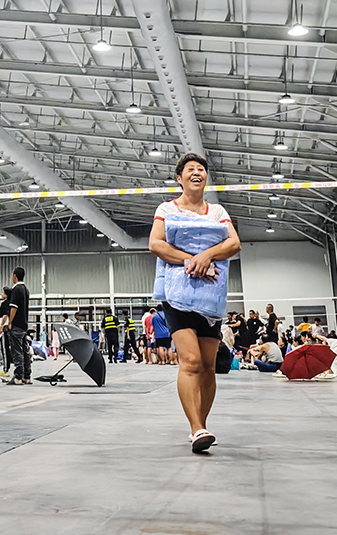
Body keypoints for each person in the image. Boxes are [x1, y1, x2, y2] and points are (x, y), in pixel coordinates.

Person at [149, 152, 241, 454]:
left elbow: (233, 243)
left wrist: (206, 255)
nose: (197, 173)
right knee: (189, 361)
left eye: (201, 169)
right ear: (180, 178)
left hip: (210, 298)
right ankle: (195, 428)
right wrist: (191, 259)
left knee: (208, 366)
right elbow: (156, 244)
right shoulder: (166, 208)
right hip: (177, 296)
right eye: (190, 169)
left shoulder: (217, 211)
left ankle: (201, 424)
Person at [6, 267, 32, 385]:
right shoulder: (26, 290)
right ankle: (27, 376)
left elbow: (14, 307)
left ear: (15, 276)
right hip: (24, 325)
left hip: (16, 325)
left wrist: (10, 322)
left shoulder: (16, 289)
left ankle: (18, 376)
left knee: (17, 351)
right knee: (25, 351)